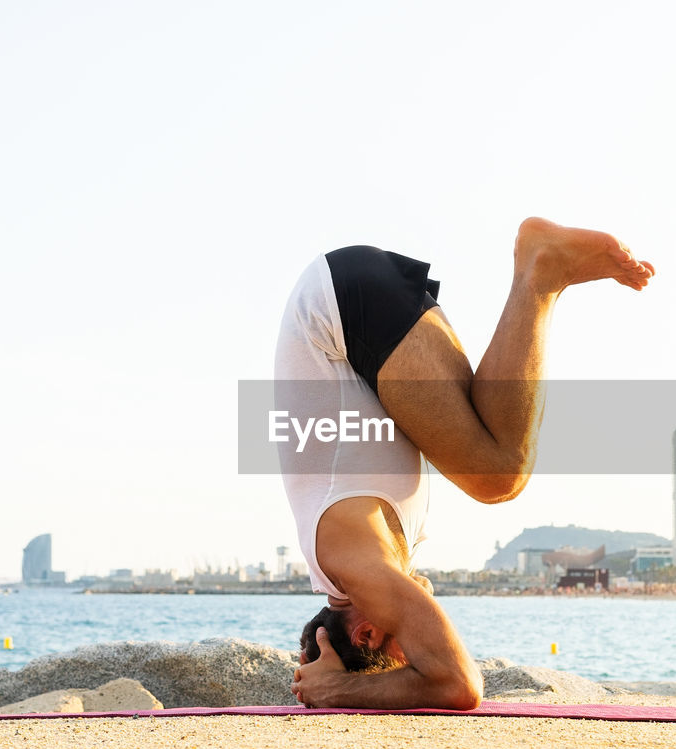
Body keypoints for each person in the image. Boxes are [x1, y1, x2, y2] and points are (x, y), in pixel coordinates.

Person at [275, 217, 654, 710]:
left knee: (498, 473)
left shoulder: (355, 565)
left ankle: (541, 271)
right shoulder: (364, 553)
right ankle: (542, 273)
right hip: (346, 310)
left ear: (367, 633)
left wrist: (338, 688)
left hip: (337, 312)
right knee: (491, 444)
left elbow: (457, 684)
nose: (419, 639)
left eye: (405, 653)